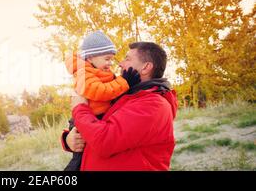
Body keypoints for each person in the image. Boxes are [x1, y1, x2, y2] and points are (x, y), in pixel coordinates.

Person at [63, 42, 178, 171]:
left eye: (127, 59)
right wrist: (68, 139)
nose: (120, 64)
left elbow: (104, 141)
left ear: (146, 67)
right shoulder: (126, 96)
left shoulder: (153, 105)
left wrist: (79, 108)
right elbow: (97, 124)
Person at [61, 30, 141, 171]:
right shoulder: (83, 73)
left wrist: (125, 83)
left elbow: (113, 90)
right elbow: (99, 92)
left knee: (88, 156)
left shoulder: (101, 71)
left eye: (111, 59)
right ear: (90, 58)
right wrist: (124, 82)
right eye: (107, 59)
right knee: (78, 160)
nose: (110, 63)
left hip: (95, 118)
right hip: (84, 120)